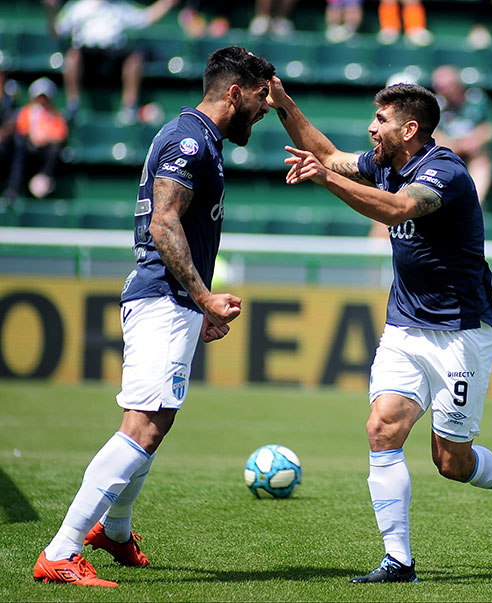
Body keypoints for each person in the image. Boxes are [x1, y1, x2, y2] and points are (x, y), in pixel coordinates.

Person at [267, 78, 492, 583]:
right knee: (381, 429)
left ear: (410, 129)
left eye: (381, 121)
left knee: (451, 462)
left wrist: (323, 178)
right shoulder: (385, 163)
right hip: (405, 328)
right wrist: (284, 103)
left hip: (461, 334)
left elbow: (395, 209)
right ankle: (399, 562)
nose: (371, 128)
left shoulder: (445, 172)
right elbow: (324, 151)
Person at [31, 46, 275, 588]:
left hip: (172, 300)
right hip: (161, 297)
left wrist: (200, 301)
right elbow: (164, 224)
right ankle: (61, 550)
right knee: (143, 424)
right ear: (234, 92)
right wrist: (203, 296)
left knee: (154, 422)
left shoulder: (200, 140)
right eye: (262, 98)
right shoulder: (189, 141)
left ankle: (113, 532)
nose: (264, 110)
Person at [44, 0, 180, 125]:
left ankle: (129, 107)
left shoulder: (120, 7)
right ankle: (73, 104)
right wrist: (50, 10)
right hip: (87, 53)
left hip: (114, 54)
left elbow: (147, 17)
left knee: (135, 58)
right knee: (72, 56)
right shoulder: (79, 7)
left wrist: (168, 2)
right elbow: (57, 31)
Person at [431, 65, 492, 205]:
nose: (443, 91)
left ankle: (474, 204)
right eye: (440, 87)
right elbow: (434, 135)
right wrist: (455, 145)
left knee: (481, 160)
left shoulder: (476, 100)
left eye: (447, 86)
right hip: (448, 152)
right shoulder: (435, 105)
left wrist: (474, 141)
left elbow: (488, 130)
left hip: (472, 150)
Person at [3, 77, 69, 201]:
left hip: (46, 152)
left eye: (45, 97)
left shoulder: (56, 115)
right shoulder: (26, 112)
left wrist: (45, 138)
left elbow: (60, 134)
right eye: (39, 97)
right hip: (29, 150)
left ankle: (44, 177)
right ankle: (14, 187)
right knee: (19, 143)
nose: (42, 100)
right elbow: (22, 129)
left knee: (55, 149)